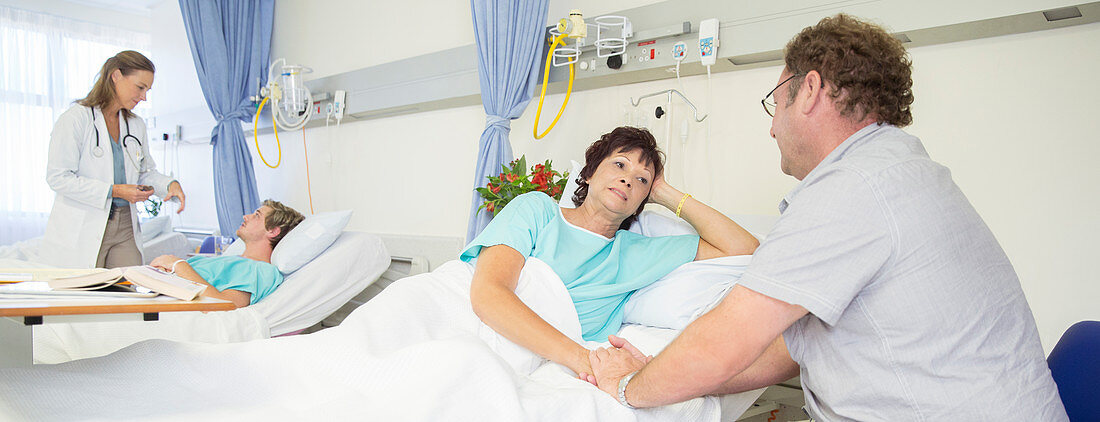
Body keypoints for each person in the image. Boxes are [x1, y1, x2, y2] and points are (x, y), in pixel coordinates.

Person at [588, 14, 1069, 421]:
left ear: (811, 90)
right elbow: (790, 349)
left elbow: (723, 342)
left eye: (775, 104)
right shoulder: (902, 169)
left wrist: (628, 386)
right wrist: (658, 368)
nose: (773, 128)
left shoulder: (851, 189)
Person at [463, 126, 759, 383]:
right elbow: (489, 294)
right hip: (479, 332)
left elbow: (743, 249)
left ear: (641, 203)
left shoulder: (636, 252)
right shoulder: (537, 211)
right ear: (589, 172)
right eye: (619, 165)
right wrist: (582, 358)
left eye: (642, 180)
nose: (628, 180)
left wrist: (664, 191)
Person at [44, 50, 186, 269]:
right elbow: (58, 178)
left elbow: (144, 171)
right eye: (140, 87)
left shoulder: (135, 125)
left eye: (147, 90)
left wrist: (169, 184)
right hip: (85, 223)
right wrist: (116, 191)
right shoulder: (76, 119)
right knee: (85, 296)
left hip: (126, 224)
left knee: (127, 292)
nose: (144, 97)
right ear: (116, 75)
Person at [149, 200, 304, 308]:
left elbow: (224, 305)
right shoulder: (227, 260)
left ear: (273, 231)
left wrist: (179, 266)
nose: (246, 216)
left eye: (256, 215)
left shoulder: (261, 270)